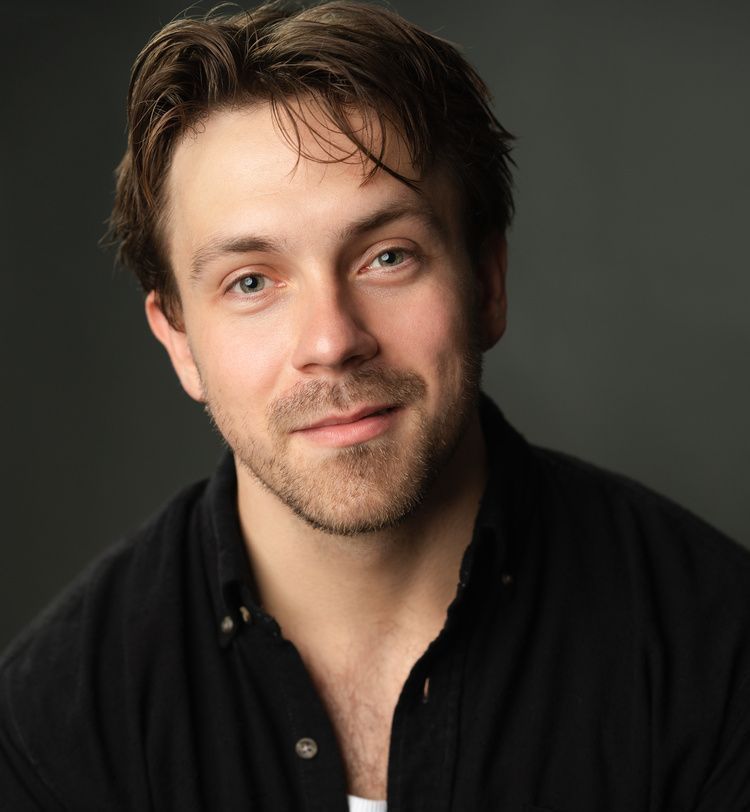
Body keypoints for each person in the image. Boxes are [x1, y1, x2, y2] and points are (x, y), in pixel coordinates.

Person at [2, 1, 749, 809]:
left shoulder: (717, 652)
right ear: (179, 339)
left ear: (487, 283)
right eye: (251, 282)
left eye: (387, 256)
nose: (331, 341)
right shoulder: (54, 728)